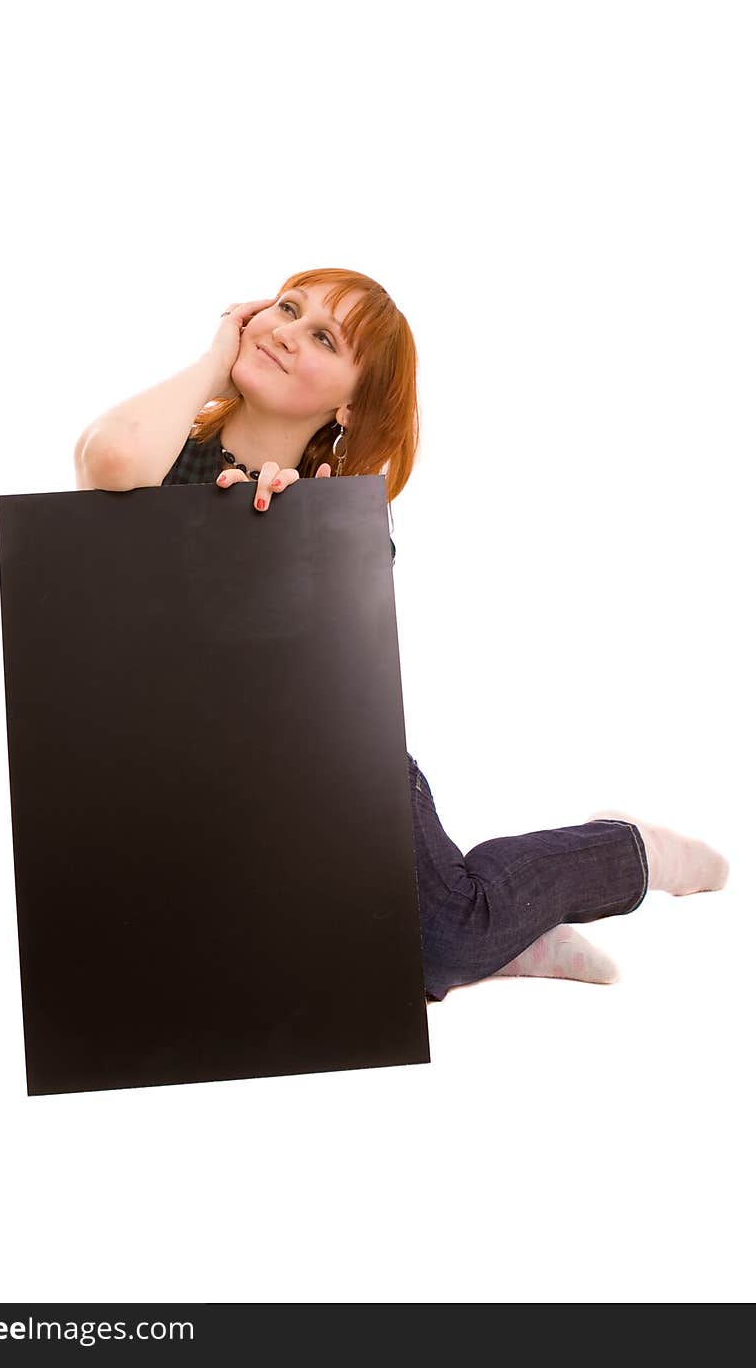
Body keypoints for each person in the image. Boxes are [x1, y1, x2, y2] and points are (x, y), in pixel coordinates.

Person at [74, 266, 730, 999]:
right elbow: (111, 459)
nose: (287, 334)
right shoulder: (167, 442)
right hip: (183, 783)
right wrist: (216, 352)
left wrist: (288, 542)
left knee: (441, 944)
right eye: (285, 309)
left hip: (321, 773)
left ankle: (623, 855)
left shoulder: (336, 514)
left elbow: (328, 692)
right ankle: (510, 937)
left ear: (350, 404)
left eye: (322, 336)